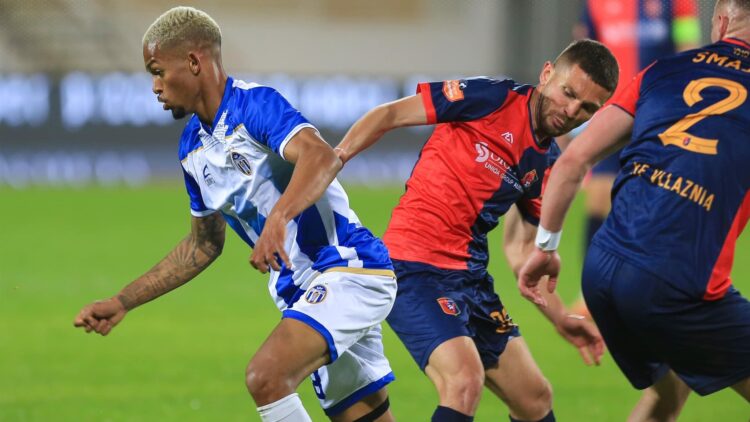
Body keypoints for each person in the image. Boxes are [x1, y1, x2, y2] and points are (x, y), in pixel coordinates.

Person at [73, 7, 397, 422]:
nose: (154, 87)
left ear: (194, 62)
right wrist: (123, 301)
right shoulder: (191, 149)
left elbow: (321, 156)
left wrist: (278, 218)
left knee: (266, 378)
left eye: (158, 71)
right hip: (299, 293)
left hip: (346, 268)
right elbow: (203, 244)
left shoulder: (254, 105)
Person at [335, 39, 618, 422]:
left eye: (587, 108)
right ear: (547, 73)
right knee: (464, 382)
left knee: (534, 398)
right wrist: (336, 158)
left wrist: (561, 317)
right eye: (568, 93)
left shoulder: (549, 166)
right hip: (413, 268)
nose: (571, 111)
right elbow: (389, 115)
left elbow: (522, 251)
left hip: (471, 281)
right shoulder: (492, 98)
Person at [519, 1, 750, 420]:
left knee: (670, 392)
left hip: (602, 275)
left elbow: (571, 163)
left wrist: (545, 247)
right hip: (679, 284)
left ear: (720, 22)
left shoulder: (660, 71)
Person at [568, 0, 702, 317]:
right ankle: (590, 292)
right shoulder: (597, 4)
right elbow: (584, 52)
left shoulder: (676, 3)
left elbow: (688, 47)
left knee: (658, 201)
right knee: (598, 197)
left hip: (661, 114)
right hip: (613, 114)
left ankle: (661, 288)